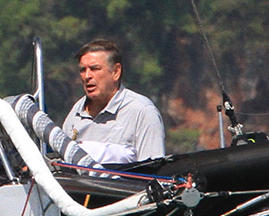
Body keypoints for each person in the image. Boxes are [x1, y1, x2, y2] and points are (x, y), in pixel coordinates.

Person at [12, 37, 168, 167]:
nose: (87, 76)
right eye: (82, 70)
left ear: (116, 72)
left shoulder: (142, 111)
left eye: (94, 69)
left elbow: (153, 172)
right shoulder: (76, 112)